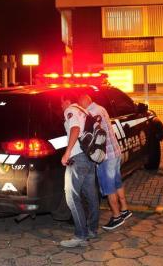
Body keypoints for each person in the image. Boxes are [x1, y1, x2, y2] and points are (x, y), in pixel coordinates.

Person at [78, 94, 132, 230]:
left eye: (79, 103)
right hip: (115, 152)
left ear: (84, 101)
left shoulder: (91, 113)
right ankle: (125, 209)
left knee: (108, 187)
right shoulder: (101, 108)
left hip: (106, 156)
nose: (79, 106)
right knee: (117, 182)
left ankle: (116, 216)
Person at [59, 92, 99, 248]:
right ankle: (92, 230)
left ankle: (80, 235)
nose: (61, 107)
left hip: (78, 157)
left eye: (61, 103)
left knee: (71, 196)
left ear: (66, 100)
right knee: (91, 195)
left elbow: (75, 129)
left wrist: (67, 152)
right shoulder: (85, 111)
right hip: (90, 157)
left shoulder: (70, 110)